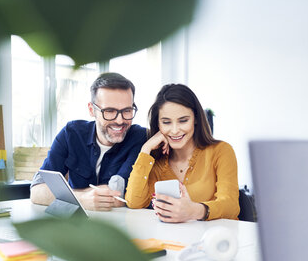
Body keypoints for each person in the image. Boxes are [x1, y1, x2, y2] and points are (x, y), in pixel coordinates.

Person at [30, 72, 146, 211]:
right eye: (109, 111)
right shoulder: (71, 133)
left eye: (127, 110)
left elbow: (117, 198)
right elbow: (37, 192)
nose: (120, 120)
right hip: (76, 225)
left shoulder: (139, 137)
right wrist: (81, 199)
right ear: (92, 110)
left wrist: (68, 196)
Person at [125, 84, 240, 222]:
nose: (174, 130)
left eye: (183, 120)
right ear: (158, 124)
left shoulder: (221, 151)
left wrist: (195, 211)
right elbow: (134, 203)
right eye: (166, 122)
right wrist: (146, 149)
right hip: (174, 241)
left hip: (217, 239)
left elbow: (231, 205)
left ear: (196, 118)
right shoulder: (156, 162)